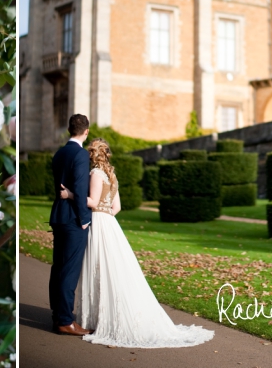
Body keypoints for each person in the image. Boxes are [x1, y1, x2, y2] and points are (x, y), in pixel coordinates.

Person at [59, 139, 215, 348]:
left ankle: (98, 319)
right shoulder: (112, 177)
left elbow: (93, 202)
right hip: (110, 223)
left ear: (92, 155)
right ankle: (100, 315)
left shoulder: (95, 174)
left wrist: (70, 194)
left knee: (101, 270)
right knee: (110, 270)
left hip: (99, 222)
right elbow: (117, 207)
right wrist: (107, 218)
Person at [47, 114, 94, 336]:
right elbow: (80, 187)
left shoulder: (59, 153)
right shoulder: (80, 154)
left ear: (69, 129)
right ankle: (65, 320)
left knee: (58, 269)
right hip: (74, 219)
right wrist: (85, 220)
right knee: (69, 271)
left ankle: (58, 315)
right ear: (86, 131)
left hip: (58, 216)